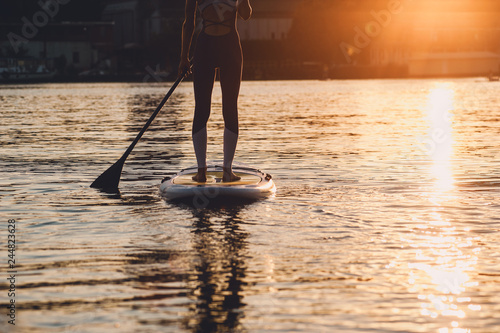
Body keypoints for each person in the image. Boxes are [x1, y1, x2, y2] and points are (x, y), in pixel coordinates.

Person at [178, 0, 252, 182]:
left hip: (209, 47)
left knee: (214, 108)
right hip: (223, 48)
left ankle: (208, 172)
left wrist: (184, 57)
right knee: (215, 108)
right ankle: (220, 171)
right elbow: (246, 14)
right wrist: (184, 57)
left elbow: (189, 23)